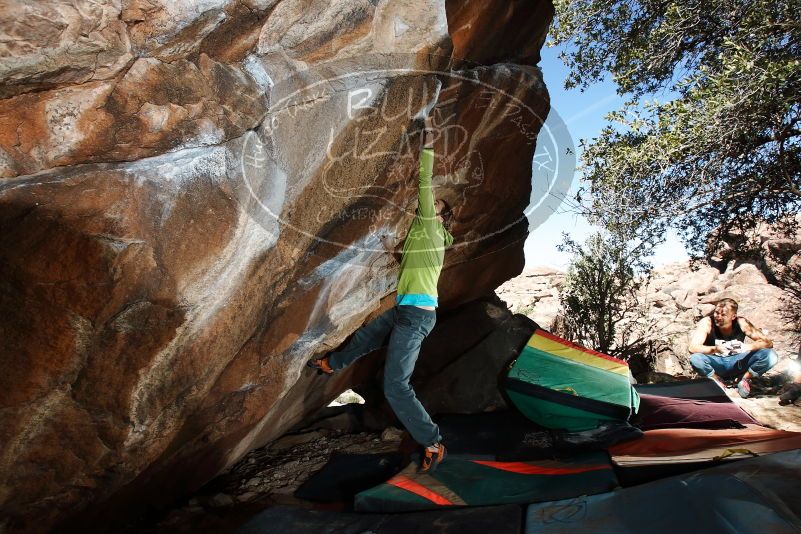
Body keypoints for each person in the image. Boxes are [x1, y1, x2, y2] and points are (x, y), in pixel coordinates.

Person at [307, 114, 454, 473]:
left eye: (436, 206)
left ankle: (433, 441)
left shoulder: (432, 229)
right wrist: (391, 244)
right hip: (407, 311)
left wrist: (429, 140)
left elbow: (424, 182)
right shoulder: (421, 238)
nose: (430, 205)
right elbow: (403, 260)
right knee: (368, 335)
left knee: (395, 385)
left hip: (418, 316)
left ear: (441, 216)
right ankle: (331, 364)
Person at [688, 298, 778, 398]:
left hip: (738, 361)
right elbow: (693, 348)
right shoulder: (707, 322)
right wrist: (715, 349)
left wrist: (746, 347)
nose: (718, 317)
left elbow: (768, 343)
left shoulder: (741, 323)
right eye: (716, 313)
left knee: (770, 355)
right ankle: (717, 380)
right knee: (696, 358)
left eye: (723, 315)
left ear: (733, 316)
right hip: (716, 362)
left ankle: (743, 380)